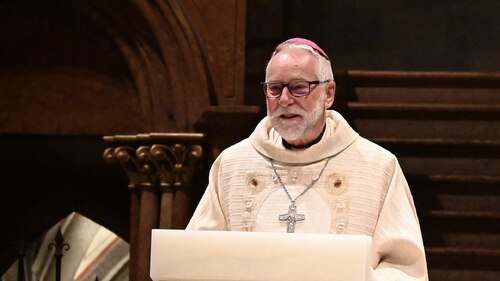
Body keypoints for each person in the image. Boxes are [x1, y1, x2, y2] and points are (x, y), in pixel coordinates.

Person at [186, 38, 428, 280]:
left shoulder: (377, 167)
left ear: (328, 93)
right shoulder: (232, 165)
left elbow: (404, 270)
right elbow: (195, 259)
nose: (284, 100)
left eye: (298, 88)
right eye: (274, 88)